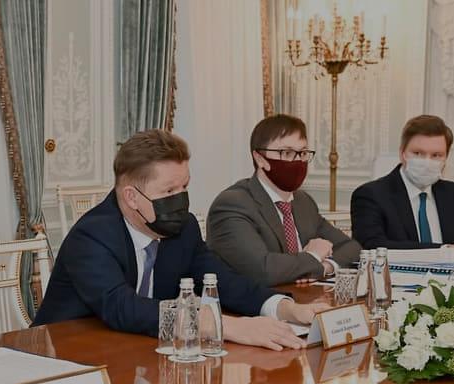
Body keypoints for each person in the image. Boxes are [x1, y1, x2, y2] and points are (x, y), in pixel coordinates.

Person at [32, 129, 329, 351]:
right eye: (168, 191)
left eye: (184, 187)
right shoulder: (92, 235)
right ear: (132, 197)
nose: (180, 200)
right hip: (65, 358)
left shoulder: (183, 228)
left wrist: (284, 308)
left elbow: (222, 280)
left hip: (138, 349)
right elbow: (122, 308)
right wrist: (224, 326)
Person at [207, 114, 361, 285]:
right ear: (260, 158)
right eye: (287, 153)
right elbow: (264, 270)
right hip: (259, 301)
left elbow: (351, 248)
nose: (298, 161)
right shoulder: (233, 204)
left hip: (305, 296)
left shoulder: (303, 201)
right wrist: (313, 256)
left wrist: (326, 267)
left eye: (303, 153)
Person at [351, 115, 454, 259]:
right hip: (398, 283)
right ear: (402, 154)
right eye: (418, 153)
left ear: (445, 159)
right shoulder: (371, 195)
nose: (427, 162)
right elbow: (372, 248)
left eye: (436, 155)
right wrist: (450, 252)